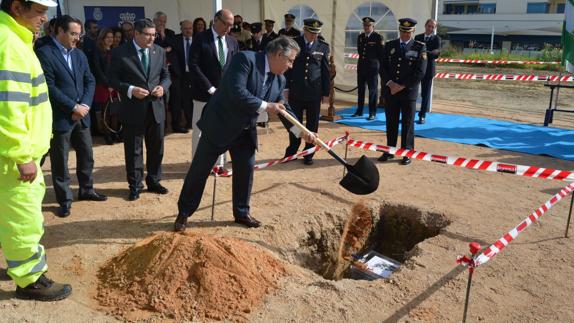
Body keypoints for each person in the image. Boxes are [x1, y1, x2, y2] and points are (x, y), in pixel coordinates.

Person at [175, 36, 314, 232]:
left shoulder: (279, 79)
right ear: (278, 54)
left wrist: (302, 132)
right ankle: (184, 213)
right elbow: (236, 91)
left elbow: (284, 109)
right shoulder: (245, 60)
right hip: (220, 125)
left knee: (245, 172)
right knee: (199, 171)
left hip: (245, 131)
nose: (291, 66)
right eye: (290, 60)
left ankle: (241, 212)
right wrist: (267, 106)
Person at [0, 0, 72, 301]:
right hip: (15, 158)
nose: (45, 18)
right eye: (39, 11)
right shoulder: (10, 46)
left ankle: (18, 265)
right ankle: (30, 280)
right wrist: (22, 155)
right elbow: (8, 108)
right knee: (24, 218)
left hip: (14, 154)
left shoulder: (13, 38)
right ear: (17, 6)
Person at [36, 15, 108, 217]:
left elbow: (90, 80)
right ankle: (64, 200)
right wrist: (73, 107)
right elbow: (49, 87)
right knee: (60, 161)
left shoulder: (79, 54)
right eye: (73, 34)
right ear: (59, 31)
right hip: (61, 117)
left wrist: (84, 105)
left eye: (79, 34)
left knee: (87, 156)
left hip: (81, 116)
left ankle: (86, 189)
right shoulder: (45, 54)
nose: (77, 38)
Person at [108, 18, 171, 201]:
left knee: (156, 148)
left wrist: (163, 87)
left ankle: (154, 180)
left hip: (156, 108)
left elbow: (166, 75)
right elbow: (112, 78)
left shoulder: (158, 51)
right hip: (133, 109)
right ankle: (135, 185)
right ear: (136, 34)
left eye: (154, 35)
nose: (152, 38)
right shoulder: (120, 52)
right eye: (148, 35)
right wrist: (130, 90)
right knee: (134, 150)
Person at [189, 9, 240, 165]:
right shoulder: (200, 38)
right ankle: (197, 164)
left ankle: (219, 164)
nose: (229, 28)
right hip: (203, 95)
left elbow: (235, 67)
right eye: (226, 24)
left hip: (225, 96)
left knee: (222, 130)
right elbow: (193, 65)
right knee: (199, 131)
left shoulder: (233, 42)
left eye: (232, 25)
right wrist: (209, 88)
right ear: (216, 20)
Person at [378, 18, 427, 166]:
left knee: (407, 123)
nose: (405, 34)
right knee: (391, 122)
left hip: (408, 92)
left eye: (408, 32)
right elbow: (382, 68)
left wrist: (402, 85)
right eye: (403, 31)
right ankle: (390, 150)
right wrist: (390, 83)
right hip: (391, 91)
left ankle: (407, 152)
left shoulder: (419, 47)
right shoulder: (389, 45)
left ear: (413, 32)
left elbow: (420, 72)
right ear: (399, 30)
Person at [282, 18, 330, 166]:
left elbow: (325, 71)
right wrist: (285, 88)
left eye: (316, 33)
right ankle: (292, 150)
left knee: (312, 124)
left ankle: (309, 152)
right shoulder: (293, 43)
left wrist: (326, 93)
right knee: (294, 123)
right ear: (304, 30)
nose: (314, 36)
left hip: (314, 93)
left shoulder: (323, 46)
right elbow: (287, 67)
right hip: (296, 91)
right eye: (311, 32)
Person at [351, 17, 384, 120]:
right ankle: (359, 110)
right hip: (361, 67)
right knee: (361, 90)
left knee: (372, 91)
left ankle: (372, 112)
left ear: (373, 26)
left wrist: (379, 67)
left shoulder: (378, 37)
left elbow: (381, 54)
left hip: (373, 68)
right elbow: (360, 52)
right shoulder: (360, 37)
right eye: (365, 25)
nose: (366, 27)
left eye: (368, 25)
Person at [92, 28, 120, 144]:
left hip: (115, 85)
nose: (110, 39)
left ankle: (115, 132)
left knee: (115, 111)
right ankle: (107, 134)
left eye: (111, 37)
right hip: (103, 86)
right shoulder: (97, 51)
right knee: (105, 111)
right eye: (107, 37)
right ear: (102, 39)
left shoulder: (115, 51)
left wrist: (115, 84)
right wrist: (108, 84)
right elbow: (97, 70)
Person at [168, 19, 194, 133]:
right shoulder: (175, 39)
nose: (188, 31)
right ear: (181, 29)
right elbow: (166, 47)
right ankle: (176, 125)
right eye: (185, 28)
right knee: (176, 100)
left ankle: (190, 122)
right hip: (178, 75)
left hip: (193, 75)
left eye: (190, 28)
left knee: (190, 100)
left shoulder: (198, 39)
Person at [414, 18, 441, 124]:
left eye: (432, 27)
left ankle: (422, 115)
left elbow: (437, 52)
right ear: (425, 25)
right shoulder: (418, 37)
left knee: (425, 94)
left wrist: (424, 53)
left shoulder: (436, 39)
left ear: (435, 28)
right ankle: (409, 114)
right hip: (416, 70)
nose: (430, 28)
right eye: (429, 26)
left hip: (429, 70)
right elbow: (414, 51)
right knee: (412, 92)